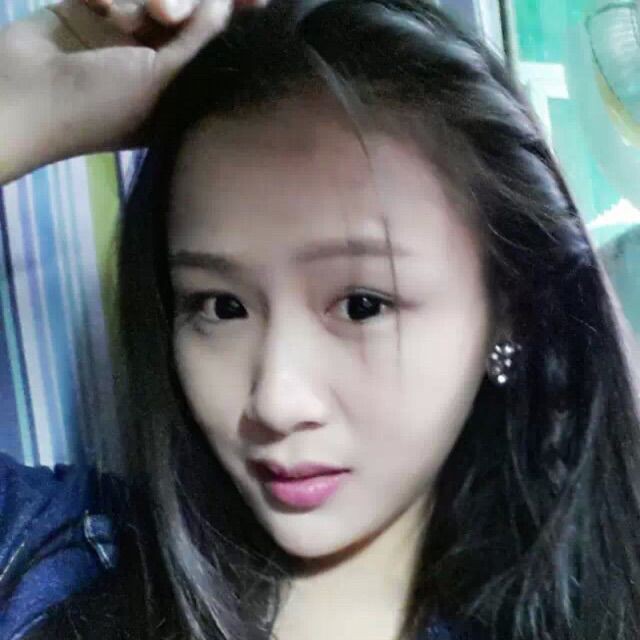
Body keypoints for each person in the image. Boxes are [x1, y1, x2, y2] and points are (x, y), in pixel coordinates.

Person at [1, 0, 640, 639]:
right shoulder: (57, 562)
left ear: (509, 311)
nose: (277, 403)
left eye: (363, 304)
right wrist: (24, 101)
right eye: (222, 307)